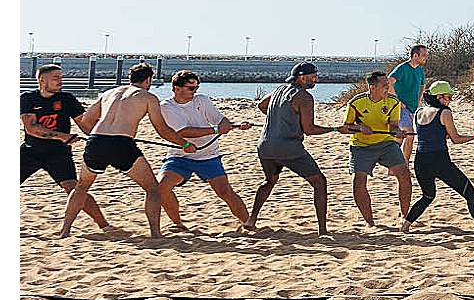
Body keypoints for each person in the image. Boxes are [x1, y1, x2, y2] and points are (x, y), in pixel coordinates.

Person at [60, 64, 189, 238]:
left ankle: (65, 231)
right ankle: (155, 233)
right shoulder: (148, 97)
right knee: (153, 189)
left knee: (82, 187)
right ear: (148, 79)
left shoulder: (108, 93)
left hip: (96, 141)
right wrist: (184, 144)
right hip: (122, 144)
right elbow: (161, 128)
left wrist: (99, 138)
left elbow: (86, 120)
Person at [21, 64, 115, 234]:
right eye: (56, 78)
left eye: (61, 77)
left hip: (58, 154)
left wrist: (106, 137)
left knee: (75, 189)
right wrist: (63, 136)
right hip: (30, 151)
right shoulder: (28, 98)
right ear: (42, 80)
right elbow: (31, 128)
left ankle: (104, 225)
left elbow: (85, 125)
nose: (60, 81)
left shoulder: (67, 99)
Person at [156, 70, 255, 233]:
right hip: (179, 157)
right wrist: (217, 130)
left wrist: (230, 125)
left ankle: (249, 224)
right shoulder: (166, 106)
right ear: (176, 88)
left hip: (208, 156)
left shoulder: (202, 100)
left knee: (225, 191)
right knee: (162, 187)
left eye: (196, 88)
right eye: (191, 88)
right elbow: (184, 132)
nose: (195, 92)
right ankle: (178, 224)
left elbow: (219, 119)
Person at [250, 62, 334, 234]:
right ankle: (323, 230)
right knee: (319, 182)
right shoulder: (304, 97)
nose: (315, 80)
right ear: (302, 78)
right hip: (288, 148)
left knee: (269, 181)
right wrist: (334, 129)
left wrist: (281, 118)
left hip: (265, 146)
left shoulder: (279, 90)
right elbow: (310, 130)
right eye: (313, 77)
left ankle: (251, 220)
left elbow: (262, 105)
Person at [403, 80, 474, 231]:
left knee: (428, 196)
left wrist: (443, 134)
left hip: (420, 161)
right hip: (440, 161)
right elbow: (456, 139)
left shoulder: (418, 112)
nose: (450, 101)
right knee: (469, 192)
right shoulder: (445, 113)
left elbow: (430, 133)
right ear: (439, 97)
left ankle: (405, 225)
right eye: (448, 97)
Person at [342, 70, 414, 226]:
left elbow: (393, 126)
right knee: (359, 181)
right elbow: (346, 127)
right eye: (384, 86)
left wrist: (397, 132)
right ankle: (370, 222)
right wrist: (360, 128)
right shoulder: (356, 102)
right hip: (361, 146)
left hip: (385, 144)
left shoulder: (393, 102)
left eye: (388, 85)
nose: (387, 88)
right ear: (372, 87)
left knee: (404, 174)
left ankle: (405, 216)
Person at [389, 43, 429, 167]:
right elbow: (389, 82)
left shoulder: (420, 70)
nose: (426, 57)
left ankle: (394, 165)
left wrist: (419, 100)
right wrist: (398, 102)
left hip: (413, 108)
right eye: (423, 55)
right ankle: (404, 165)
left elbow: (422, 85)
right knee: (410, 134)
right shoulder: (402, 68)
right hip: (401, 108)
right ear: (415, 55)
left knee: (400, 137)